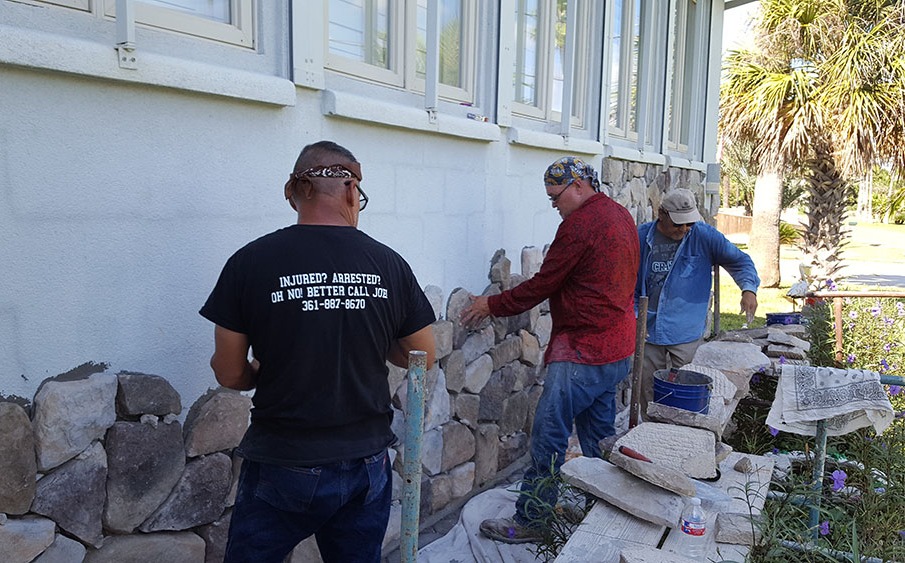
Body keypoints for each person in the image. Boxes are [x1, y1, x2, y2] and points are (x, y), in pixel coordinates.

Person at [199, 140, 436, 563]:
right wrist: (374, 338)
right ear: (351, 192)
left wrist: (258, 373)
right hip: (366, 460)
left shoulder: (250, 262)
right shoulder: (389, 264)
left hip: (283, 459)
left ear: (293, 191)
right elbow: (421, 357)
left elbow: (229, 372)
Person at [460, 157, 639, 543]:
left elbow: (542, 284)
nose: (553, 205)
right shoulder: (619, 214)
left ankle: (533, 519)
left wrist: (490, 304)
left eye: (555, 197)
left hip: (583, 351)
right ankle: (601, 512)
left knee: (548, 438)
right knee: (599, 438)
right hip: (616, 348)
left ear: (577, 186)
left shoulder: (580, 225)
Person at [635, 188, 760, 418]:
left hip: (687, 329)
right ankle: (651, 435)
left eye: (689, 224)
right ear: (662, 214)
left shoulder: (703, 235)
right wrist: (635, 317)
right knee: (648, 390)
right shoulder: (642, 237)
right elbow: (627, 280)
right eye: (678, 224)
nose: (684, 230)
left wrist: (748, 289)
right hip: (648, 329)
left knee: (688, 388)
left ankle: (683, 436)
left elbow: (740, 261)